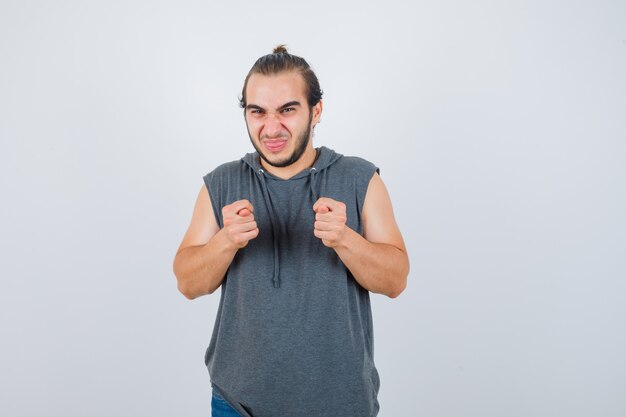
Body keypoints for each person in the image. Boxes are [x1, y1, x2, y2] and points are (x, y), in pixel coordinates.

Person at [173, 45, 409, 417]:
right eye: (258, 112)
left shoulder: (360, 178)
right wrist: (226, 241)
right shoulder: (221, 183)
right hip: (238, 404)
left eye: (287, 110)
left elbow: (395, 280)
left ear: (316, 111)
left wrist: (345, 239)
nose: (271, 128)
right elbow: (187, 283)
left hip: (340, 405)